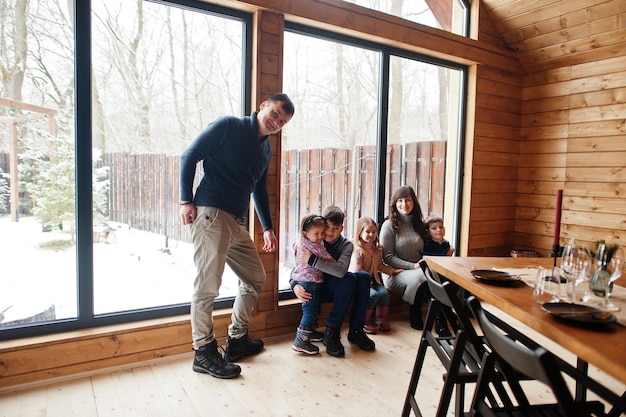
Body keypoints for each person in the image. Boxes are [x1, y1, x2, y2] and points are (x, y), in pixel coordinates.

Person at [179, 93, 295, 379]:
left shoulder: (265, 150)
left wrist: (267, 227)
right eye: (275, 114)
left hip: (236, 221)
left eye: (282, 121)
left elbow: (259, 190)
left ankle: (237, 339)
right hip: (211, 213)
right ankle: (203, 351)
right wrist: (186, 200)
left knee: (255, 277)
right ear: (263, 106)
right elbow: (189, 155)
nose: (276, 122)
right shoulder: (229, 126)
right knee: (207, 287)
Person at [290, 206, 375, 357]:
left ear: (342, 228)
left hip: (336, 288)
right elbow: (298, 267)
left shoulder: (346, 245)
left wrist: (312, 260)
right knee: (349, 278)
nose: (329, 232)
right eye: (326, 227)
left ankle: (356, 330)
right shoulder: (314, 239)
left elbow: (340, 270)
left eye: (335, 228)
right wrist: (294, 285)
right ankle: (332, 331)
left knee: (362, 277)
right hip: (315, 289)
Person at [379, 185, 429, 330]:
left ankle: (440, 317)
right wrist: (412, 266)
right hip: (395, 273)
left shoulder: (419, 224)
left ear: (414, 202)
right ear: (395, 203)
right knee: (420, 277)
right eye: (400, 200)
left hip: (419, 270)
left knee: (433, 276)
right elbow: (387, 257)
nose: (404, 204)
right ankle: (415, 312)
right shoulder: (389, 225)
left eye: (407, 200)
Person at [290, 214, 336, 355]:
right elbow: (328, 258)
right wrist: (336, 264)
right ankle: (301, 341)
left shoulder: (299, 242)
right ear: (305, 233)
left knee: (314, 308)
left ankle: (310, 332)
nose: (321, 236)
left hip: (302, 279)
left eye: (322, 232)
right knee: (310, 310)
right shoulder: (315, 246)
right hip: (310, 281)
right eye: (316, 233)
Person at [349, 216, 402, 333]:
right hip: (360, 283)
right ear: (360, 232)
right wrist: (368, 283)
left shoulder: (377, 249)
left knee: (384, 293)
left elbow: (379, 266)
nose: (371, 235)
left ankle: (380, 319)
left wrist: (392, 271)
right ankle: (364, 321)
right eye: (367, 231)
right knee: (372, 295)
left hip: (373, 280)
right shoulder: (357, 251)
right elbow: (356, 270)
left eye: (374, 232)